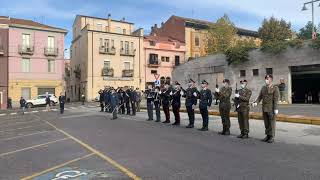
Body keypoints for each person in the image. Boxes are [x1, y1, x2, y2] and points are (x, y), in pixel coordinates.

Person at [253, 74, 280, 143]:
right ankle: (267, 135)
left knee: (272, 123)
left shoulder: (275, 88)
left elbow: (275, 99)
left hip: (271, 108)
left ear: (271, 80)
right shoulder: (263, 88)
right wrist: (256, 102)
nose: (266, 80)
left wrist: (276, 108)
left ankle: (272, 137)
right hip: (264, 108)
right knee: (266, 123)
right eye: (266, 79)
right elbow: (260, 97)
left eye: (268, 79)